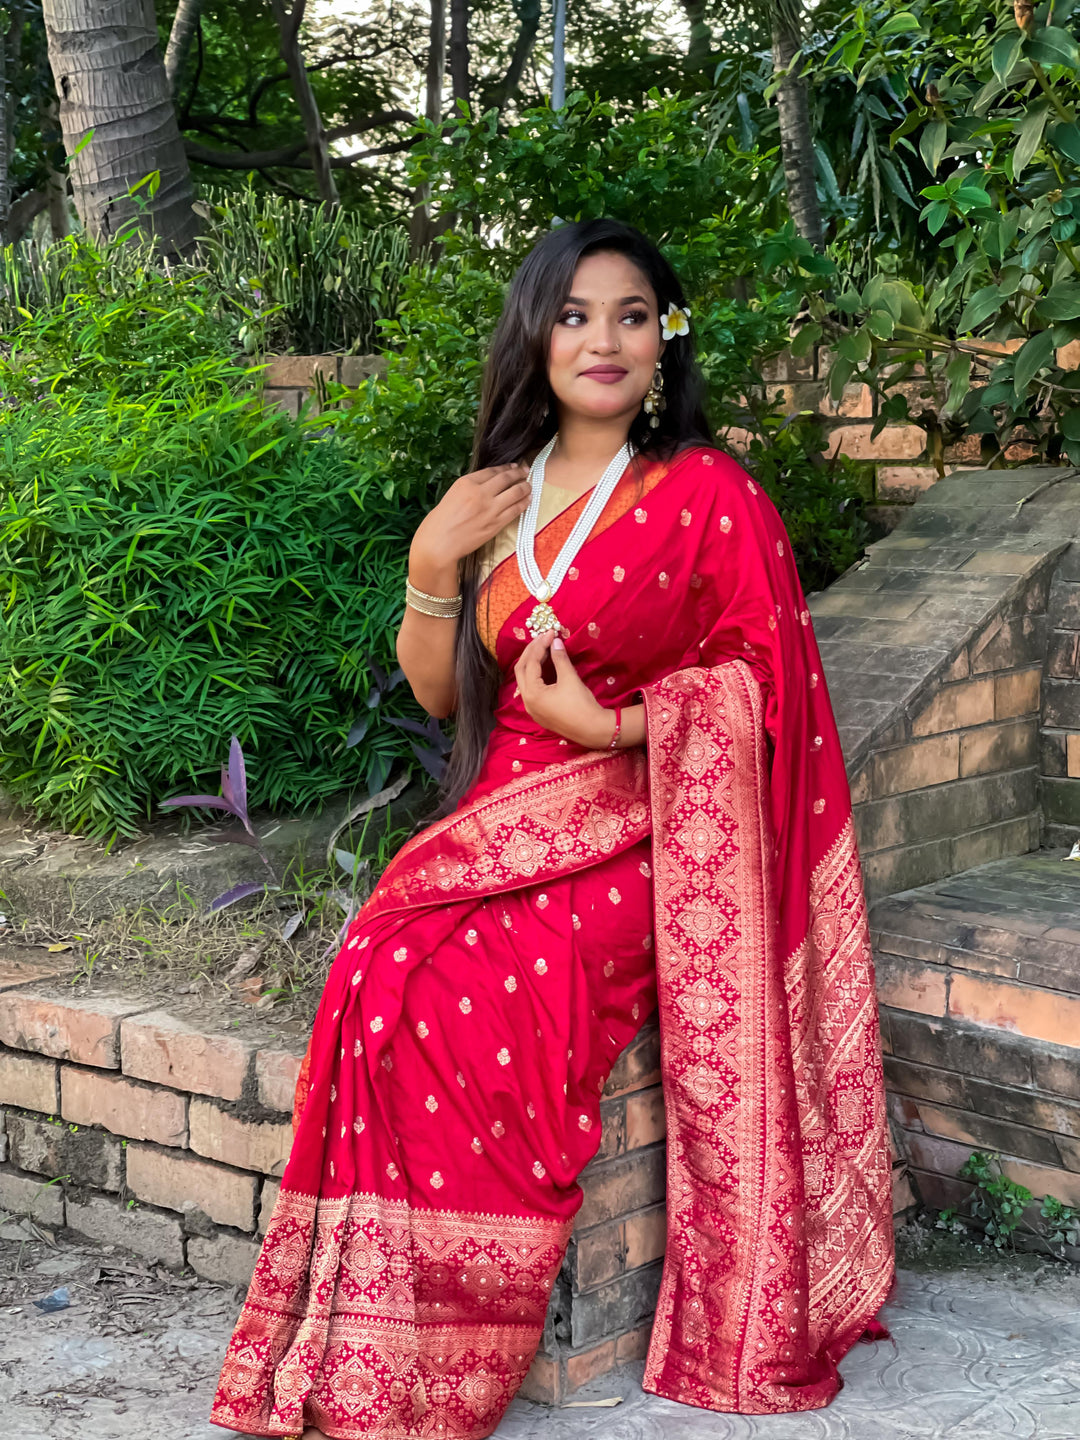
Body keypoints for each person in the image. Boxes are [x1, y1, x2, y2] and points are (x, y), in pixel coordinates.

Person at [210, 218, 894, 1440]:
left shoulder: (707, 493)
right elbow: (437, 690)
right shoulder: (500, 495)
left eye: (633, 315)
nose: (604, 339)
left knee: (449, 988)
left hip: (644, 831)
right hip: (506, 815)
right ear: (534, 337)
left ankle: (443, 1354)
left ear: (665, 340)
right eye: (574, 315)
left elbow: (767, 684)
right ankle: (378, 1335)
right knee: (376, 967)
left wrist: (619, 730)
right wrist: (431, 562)